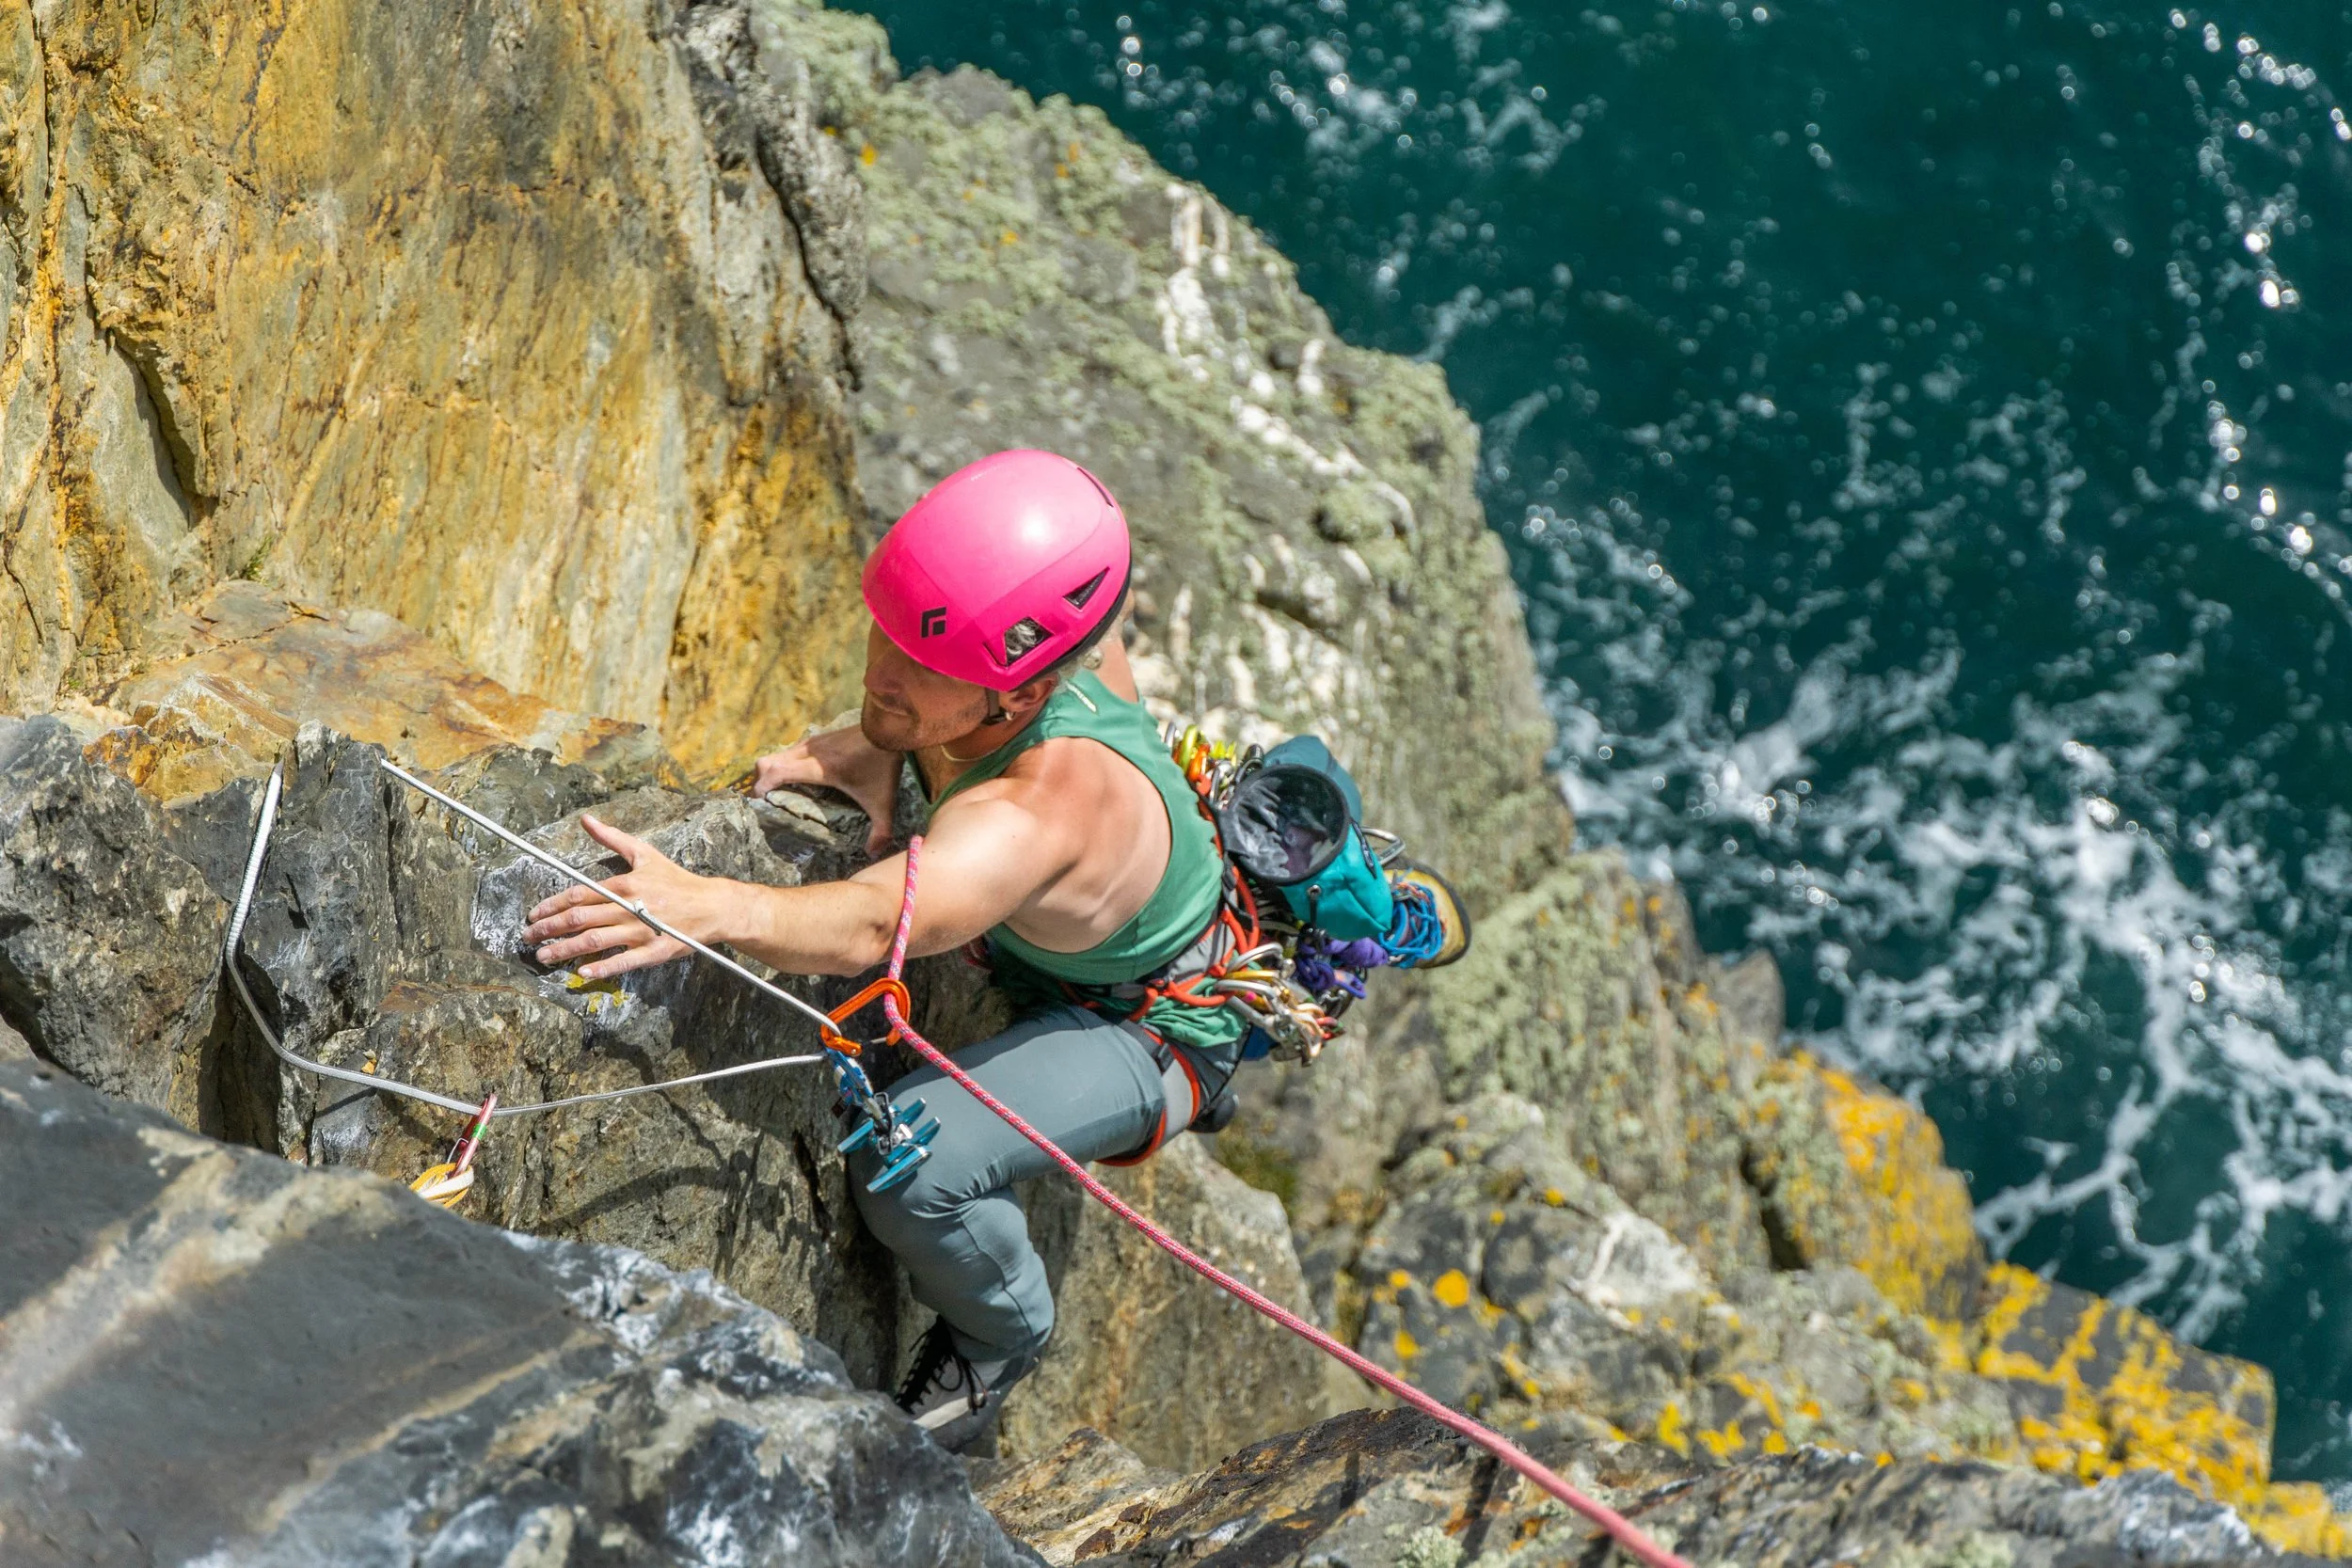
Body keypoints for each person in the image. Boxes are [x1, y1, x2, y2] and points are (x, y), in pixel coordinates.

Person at [519, 450, 1255, 1450]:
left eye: (927, 669)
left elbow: (877, 922)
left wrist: (701, 904)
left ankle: (1005, 1329)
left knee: (912, 1162)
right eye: (890, 634)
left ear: (1019, 696)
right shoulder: (1047, 648)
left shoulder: (1029, 814)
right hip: (1087, 934)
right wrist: (883, 737)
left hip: (1153, 1021)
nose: (883, 673)